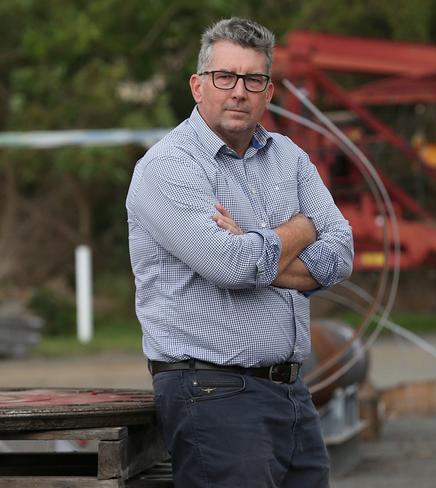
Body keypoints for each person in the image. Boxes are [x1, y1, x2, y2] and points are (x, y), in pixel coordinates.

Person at [126, 17, 353, 488]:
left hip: (291, 391)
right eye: (224, 77)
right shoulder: (168, 167)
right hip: (211, 393)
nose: (239, 91)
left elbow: (341, 252)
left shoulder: (288, 157)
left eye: (253, 79)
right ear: (197, 85)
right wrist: (301, 227)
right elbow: (230, 265)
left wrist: (254, 243)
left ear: (269, 92)